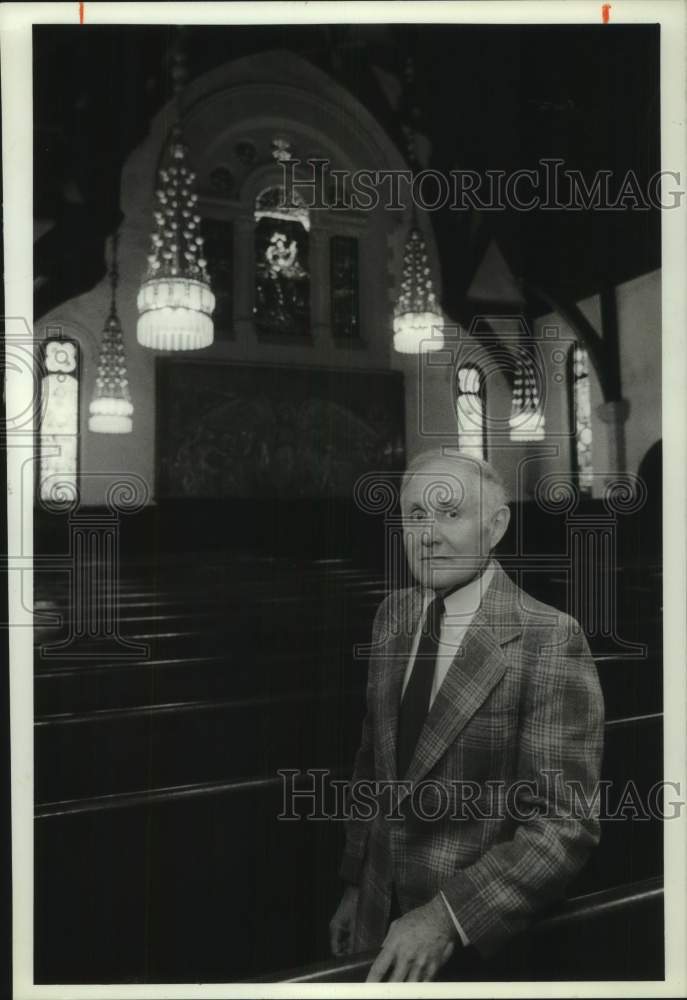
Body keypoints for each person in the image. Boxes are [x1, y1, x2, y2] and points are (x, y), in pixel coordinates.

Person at [329, 449, 605, 982]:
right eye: (415, 515)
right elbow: (373, 764)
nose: (428, 534)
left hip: (469, 946)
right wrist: (357, 883)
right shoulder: (393, 614)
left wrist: (445, 917)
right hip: (375, 917)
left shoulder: (550, 638)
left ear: (496, 524)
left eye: (450, 513)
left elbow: (564, 824)